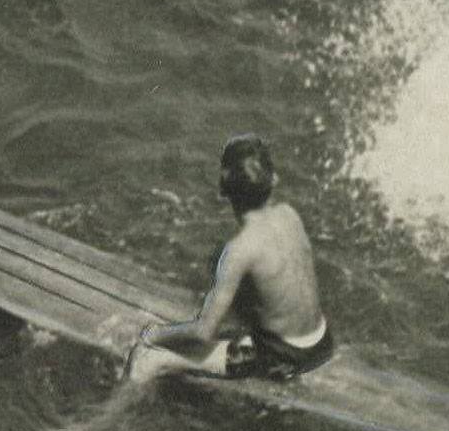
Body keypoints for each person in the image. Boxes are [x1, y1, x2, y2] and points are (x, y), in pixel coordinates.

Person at [125, 134, 334, 383]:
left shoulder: (238, 251)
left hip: (287, 357)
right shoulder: (289, 215)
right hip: (322, 343)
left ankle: (99, 421)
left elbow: (203, 332)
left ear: (224, 191)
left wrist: (153, 334)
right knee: (238, 277)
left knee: (146, 358)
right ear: (273, 180)